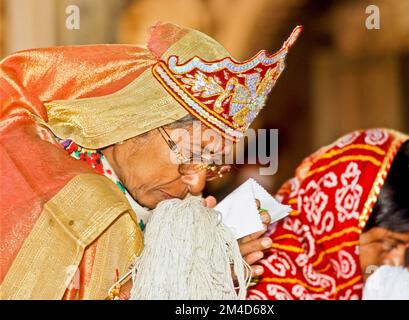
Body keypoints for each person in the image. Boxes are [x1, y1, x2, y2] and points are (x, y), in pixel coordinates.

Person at [0, 21, 301, 299]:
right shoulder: (81, 203)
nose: (195, 184)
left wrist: (209, 273)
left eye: (211, 166)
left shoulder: (148, 212)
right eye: (189, 155)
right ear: (136, 122)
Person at [247, 128, 409, 300]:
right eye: (389, 245)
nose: (397, 262)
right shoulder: (260, 268)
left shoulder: (351, 283)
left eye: (407, 247)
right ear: (344, 224)